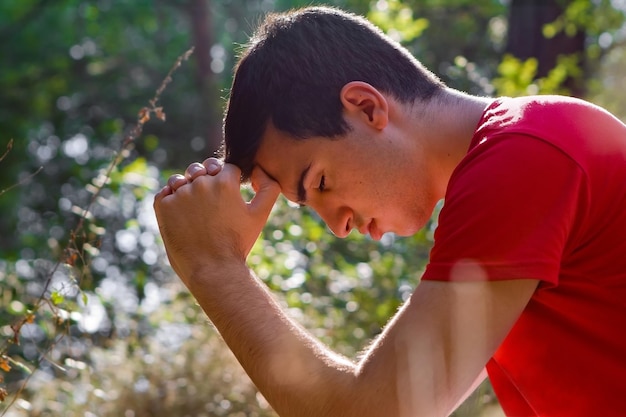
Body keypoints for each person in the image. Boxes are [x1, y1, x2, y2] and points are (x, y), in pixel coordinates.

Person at [153, 6, 626, 417]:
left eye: (319, 182)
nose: (338, 226)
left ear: (365, 107)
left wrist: (214, 267)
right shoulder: (522, 153)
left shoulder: (524, 156)